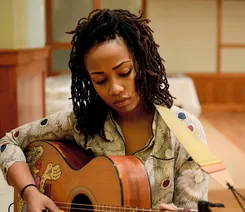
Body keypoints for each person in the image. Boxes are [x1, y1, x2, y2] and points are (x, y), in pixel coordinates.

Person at [0, 9, 209, 212]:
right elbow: (9, 142)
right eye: (100, 80)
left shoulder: (185, 130)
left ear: (142, 64)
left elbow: (192, 206)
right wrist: (30, 191)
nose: (115, 89)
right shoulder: (82, 122)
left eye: (124, 72)